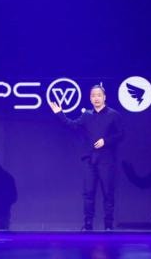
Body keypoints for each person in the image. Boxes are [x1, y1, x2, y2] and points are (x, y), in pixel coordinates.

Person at [49, 84, 124, 231]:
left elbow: (121, 134)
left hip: (106, 160)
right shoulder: (87, 115)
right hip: (89, 160)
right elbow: (72, 125)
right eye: (93, 95)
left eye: (99, 95)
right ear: (90, 98)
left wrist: (106, 141)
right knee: (88, 193)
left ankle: (108, 225)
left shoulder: (114, 115)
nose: (96, 98)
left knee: (108, 193)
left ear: (104, 97)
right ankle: (88, 224)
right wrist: (59, 113)